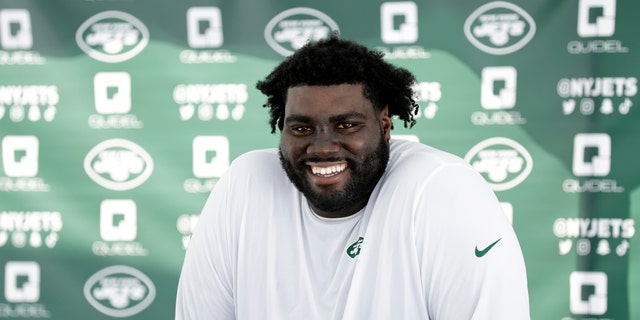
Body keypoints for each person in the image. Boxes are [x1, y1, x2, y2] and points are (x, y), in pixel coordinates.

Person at [175, 35, 530, 319]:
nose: (322, 147)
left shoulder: (442, 189)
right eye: (301, 127)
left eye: (347, 125)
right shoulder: (246, 184)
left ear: (385, 126)